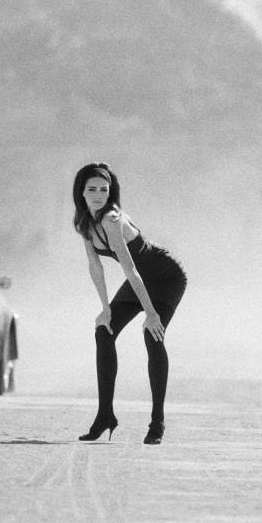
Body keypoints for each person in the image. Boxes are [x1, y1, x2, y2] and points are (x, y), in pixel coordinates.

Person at [72, 162, 187, 445]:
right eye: (92, 189)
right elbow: (95, 266)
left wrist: (151, 313)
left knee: (152, 334)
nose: (98, 195)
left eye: (103, 189)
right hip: (139, 280)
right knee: (104, 330)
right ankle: (105, 416)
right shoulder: (84, 222)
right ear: (81, 192)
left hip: (165, 277)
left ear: (110, 191)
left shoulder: (112, 220)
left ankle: (157, 424)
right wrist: (105, 309)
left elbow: (130, 269)